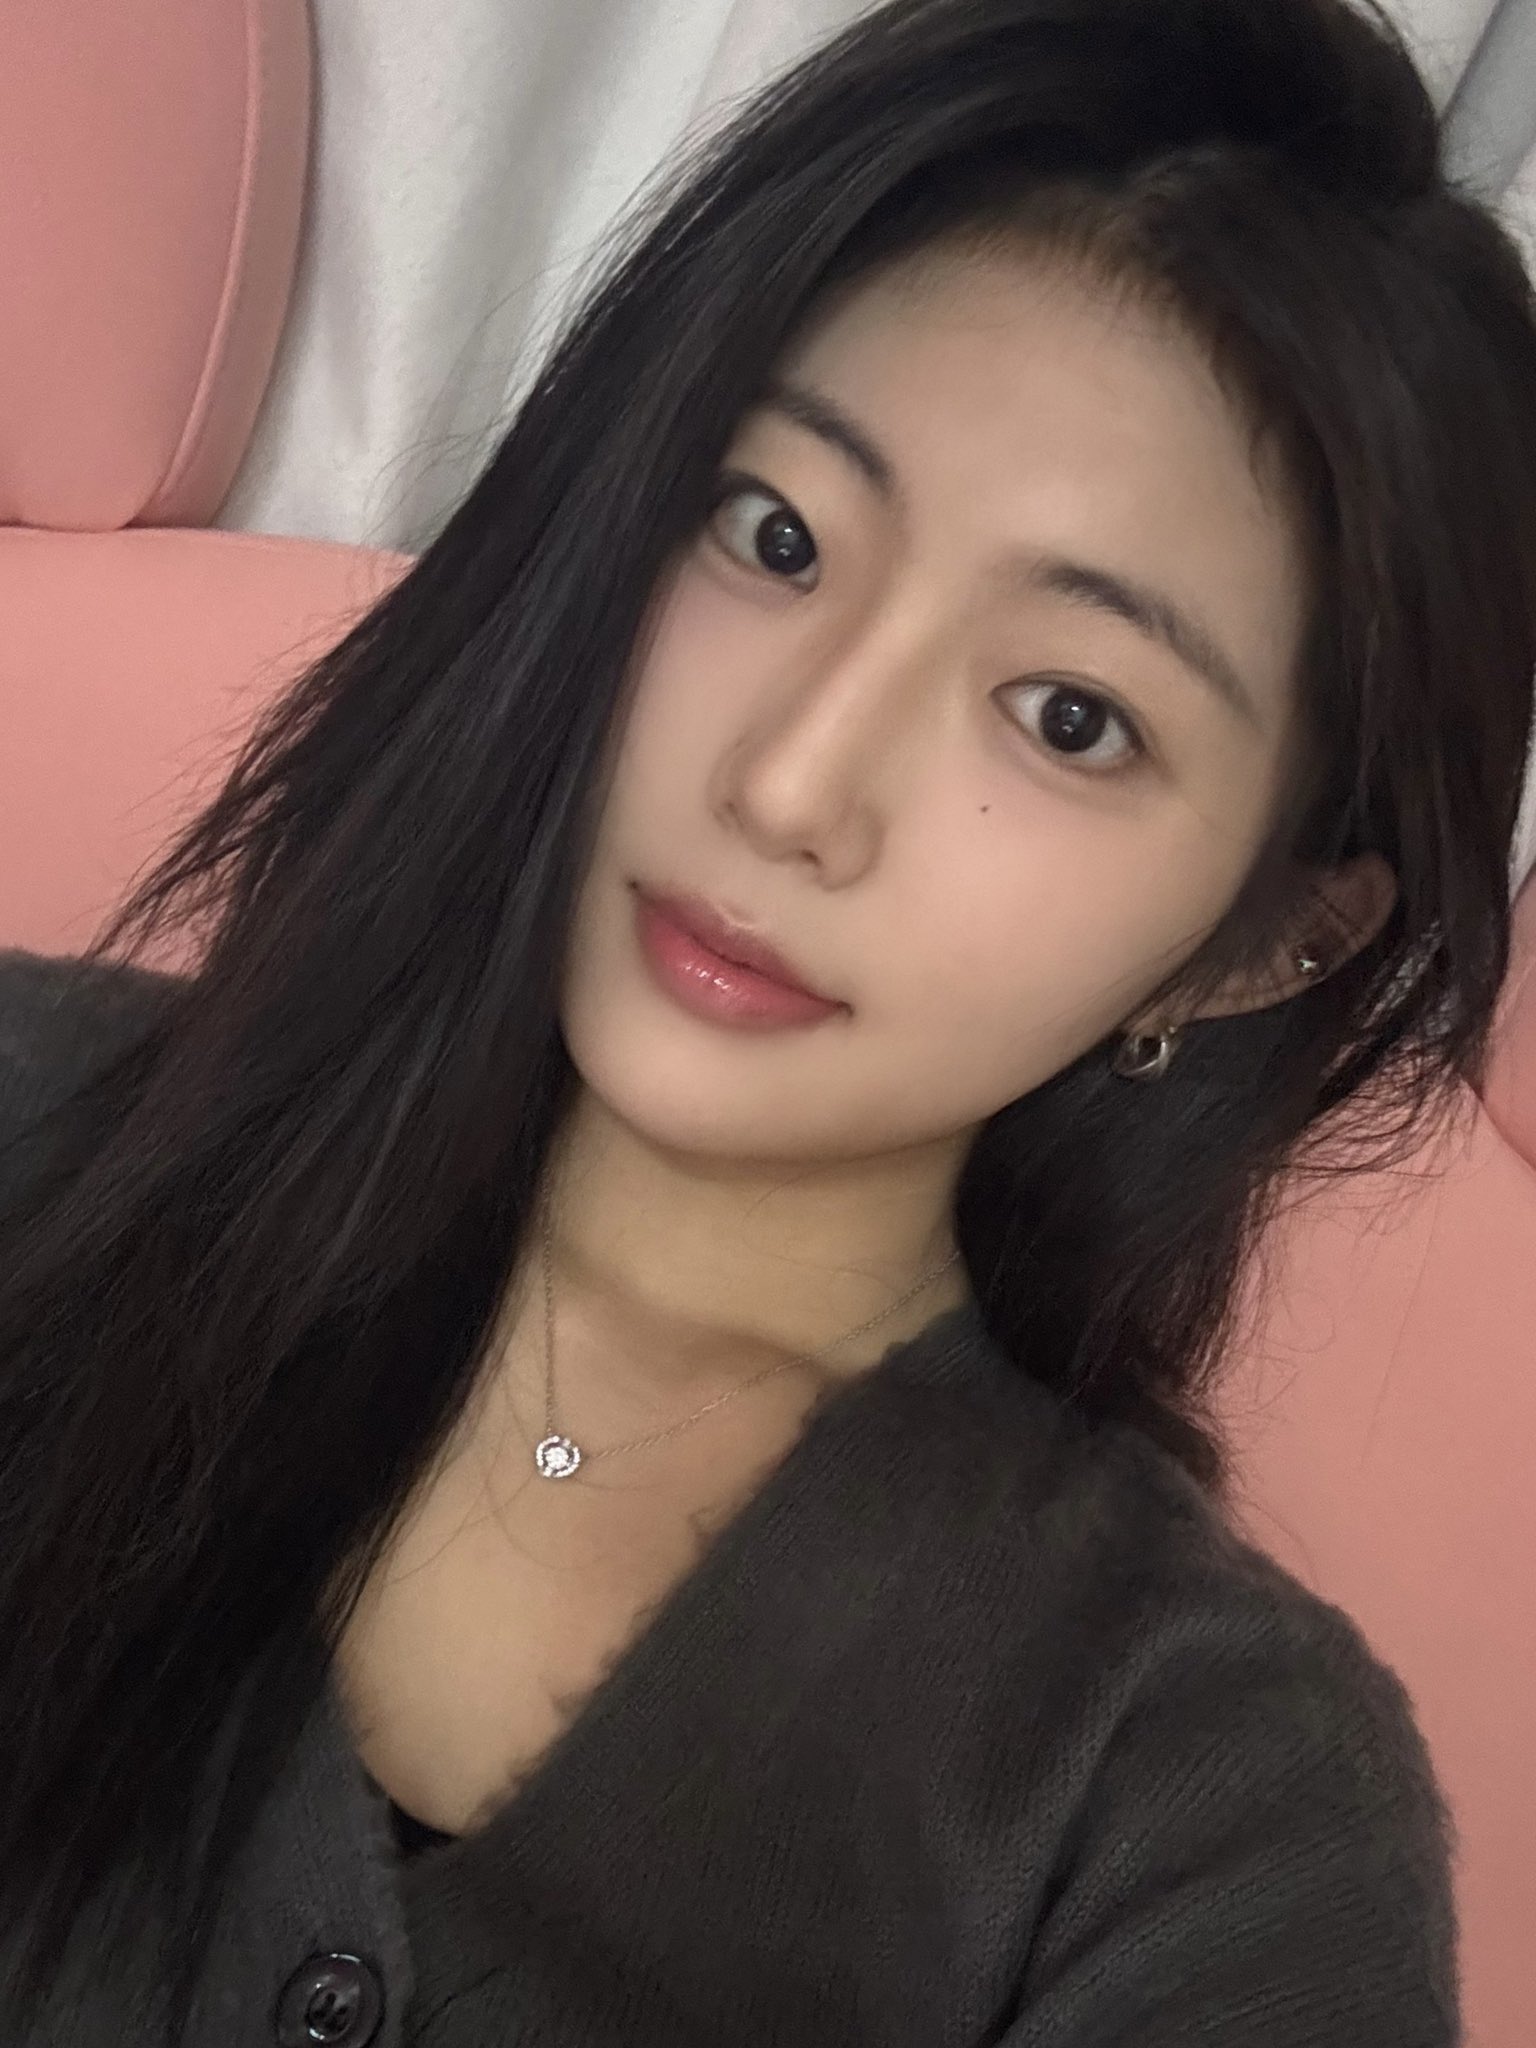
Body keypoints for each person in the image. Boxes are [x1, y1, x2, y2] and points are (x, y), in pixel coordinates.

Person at [2, 0, 1534, 2039]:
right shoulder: (29, 1122)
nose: (793, 785)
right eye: (777, 534)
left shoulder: (1210, 1807)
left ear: (1257, 941)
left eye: (1071, 716)